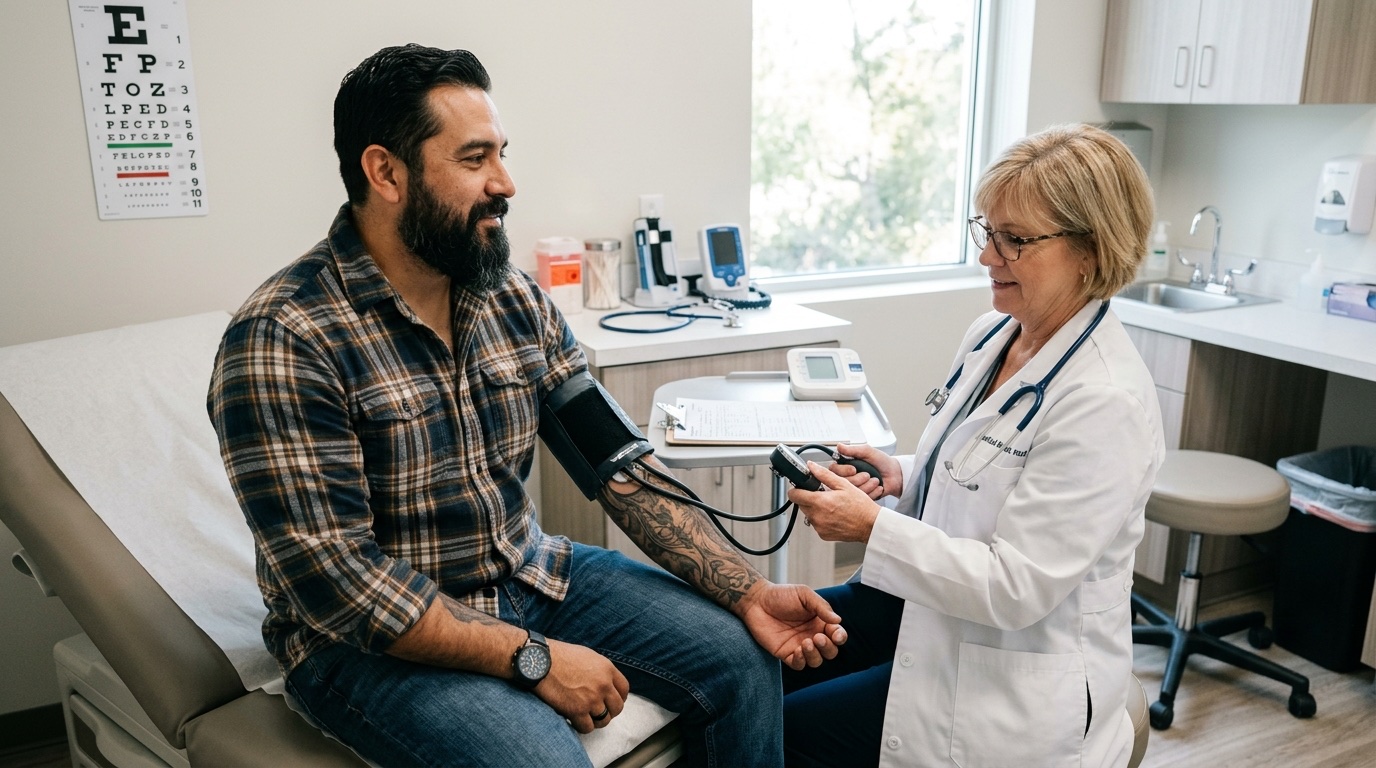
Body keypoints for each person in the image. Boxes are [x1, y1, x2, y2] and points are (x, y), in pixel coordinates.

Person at [207, 44, 844, 768]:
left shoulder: (509, 298)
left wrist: (748, 591)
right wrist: (534, 658)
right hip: (364, 643)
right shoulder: (284, 339)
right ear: (385, 172)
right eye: (474, 159)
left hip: (530, 575)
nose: (505, 183)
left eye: (501, 154)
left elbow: (619, 465)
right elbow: (341, 584)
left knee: (742, 656)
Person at [782, 124, 1165, 767]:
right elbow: (982, 464)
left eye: (1015, 240)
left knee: (786, 730)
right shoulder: (994, 333)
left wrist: (871, 526)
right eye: (987, 231)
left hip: (1011, 676)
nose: (988, 257)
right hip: (933, 609)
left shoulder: (1105, 402)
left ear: (1090, 251)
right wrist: (901, 474)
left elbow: (1016, 587)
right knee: (757, 662)